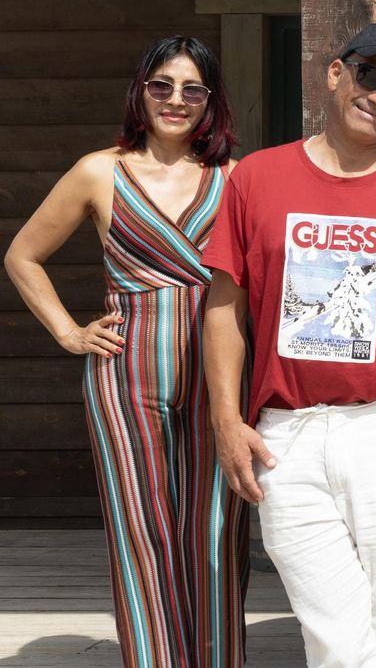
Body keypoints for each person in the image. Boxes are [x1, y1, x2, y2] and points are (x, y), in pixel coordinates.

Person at [201, 23, 376, 668]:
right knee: (337, 633)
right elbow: (224, 307)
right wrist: (225, 419)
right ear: (334, 74)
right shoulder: (256, 180)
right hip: (285, 436)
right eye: (368, 75)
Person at [4, 35, 248, 668]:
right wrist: (67, 331)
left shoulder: (233, 177)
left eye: (192, 89)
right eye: (161, 85)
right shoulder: (99, 170)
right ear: (140, 91)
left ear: (211, 102)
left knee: (217, 532)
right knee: (143, 531)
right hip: (124, 376)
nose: (175, 99)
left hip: (218, 380)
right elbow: (22, 256)